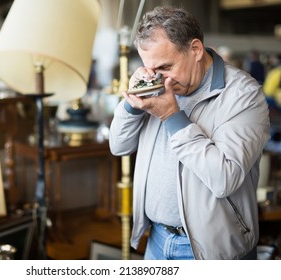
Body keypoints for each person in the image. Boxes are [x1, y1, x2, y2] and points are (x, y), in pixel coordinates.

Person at [109, 5, 270, 260]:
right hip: (157, 241)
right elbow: (118, 146)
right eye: (150, 69)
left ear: (195, 49)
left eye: (165, 67)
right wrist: (132, 102)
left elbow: (224, 179)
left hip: (210, 251)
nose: (159, 80)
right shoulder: (156, 84)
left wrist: (172, 117)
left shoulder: (243, 95)